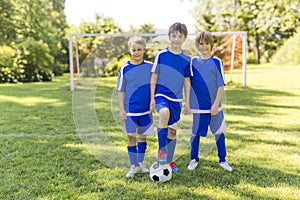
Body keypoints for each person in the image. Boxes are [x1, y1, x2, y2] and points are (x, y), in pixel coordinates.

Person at [187, 31, 232, 172]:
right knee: (195, 133)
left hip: (214, 106)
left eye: (206, 43)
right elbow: (186, 78)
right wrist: (183, 52)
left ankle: (223, 159)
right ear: (197, 45)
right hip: (198, 107)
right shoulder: (192, 62)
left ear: (211, 44)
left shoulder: (217, 62)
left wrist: (215, 104)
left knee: (219, 133)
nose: (204, 46)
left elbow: (220, 85)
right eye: (200, 44)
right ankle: (193, 159)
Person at [150, 22, 192, 173]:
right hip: (161, 94)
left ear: (184, 38)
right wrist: (152, 98)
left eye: (180, 36)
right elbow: (153, 77)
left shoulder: (187, 58)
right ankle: (161, 154)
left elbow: (187, 81)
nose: (176, 38)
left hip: (177, 99)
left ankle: (169, 160)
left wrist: (188, 101)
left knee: (172, 132)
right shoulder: (161, 55)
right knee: (163, 113)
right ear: (169, 37)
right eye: (174, 35)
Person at [116, 36, 154, 178]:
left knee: (142, 137)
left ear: (144, 50)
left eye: (139, 49)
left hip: (145, 110)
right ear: (129, 50)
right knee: (131, 136)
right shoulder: (125, 68)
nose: (136, 52)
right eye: (134, 50)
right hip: (130, 110)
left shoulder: (150, 66)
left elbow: (154, 84)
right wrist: (122, 109)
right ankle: (133, 165)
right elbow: (121, 91)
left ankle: (141, 163)